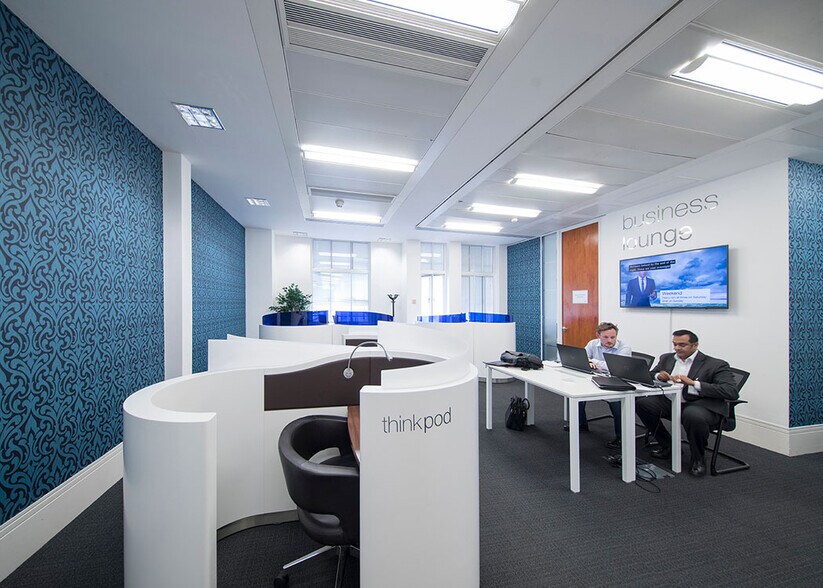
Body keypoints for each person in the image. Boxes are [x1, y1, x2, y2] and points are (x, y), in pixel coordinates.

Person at [635, 330, 738, 477]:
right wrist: (659, 376)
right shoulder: (667, 358)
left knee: (692, 415)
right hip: (671, 401)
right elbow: (651, 374)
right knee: (642, 403)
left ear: (695, 345)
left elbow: (731, 391)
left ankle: (698, 458)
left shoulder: (715, 364)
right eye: (675, 344)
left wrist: (694, 383)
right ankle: (668, 445)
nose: (677, 348)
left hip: (700, 404)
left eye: (682, 345)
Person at [565, 322, 631, 449]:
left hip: (617, 381)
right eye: (606, 337)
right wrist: (589, 362)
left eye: (613, 337)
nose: (610, 340)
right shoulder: (592, 344)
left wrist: (593, 361)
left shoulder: (624, 348)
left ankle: (621, 438)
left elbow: (614, 368)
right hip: (596, 377)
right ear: (598, 335)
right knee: (576, 391)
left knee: (617, 402)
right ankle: (581, 424)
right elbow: (582, 358)